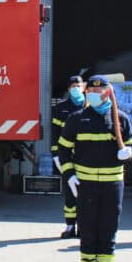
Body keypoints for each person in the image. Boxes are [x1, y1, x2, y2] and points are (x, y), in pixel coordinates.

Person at [58, 75, 132, 262]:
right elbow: (63, 150)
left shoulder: (120, 118)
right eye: (90, 92)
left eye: (98, 91)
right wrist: (70, 175)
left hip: (113, 184)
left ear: (107, 92)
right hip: (86, 183)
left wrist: (128, 152)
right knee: (88, 228)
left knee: (108, 227)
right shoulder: (77, 119)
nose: (93, 95)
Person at [51, 75, 86, 238]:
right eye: (73, 86)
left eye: (78, 85)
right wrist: (56, 154)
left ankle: (84, 227)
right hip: (67, 158)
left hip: (87, 158)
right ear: (68, 89)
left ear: (84, 87)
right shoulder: (61, 108)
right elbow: (55, 132)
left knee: (86, 194)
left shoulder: (91, 106)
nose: (76, 89)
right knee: (70, 193)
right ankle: (70, 226)